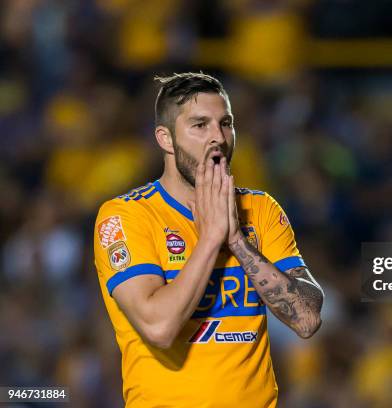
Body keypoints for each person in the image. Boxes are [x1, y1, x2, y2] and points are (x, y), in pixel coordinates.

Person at [93, 72, 324, 407]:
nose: (218, 137)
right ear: (166, 139)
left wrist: (238, 243)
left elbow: (307, 319)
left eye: (226, 123)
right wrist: (211, 238)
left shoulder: (260, 209)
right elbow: (158, 327)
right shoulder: (126, 216)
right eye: (200, 125)